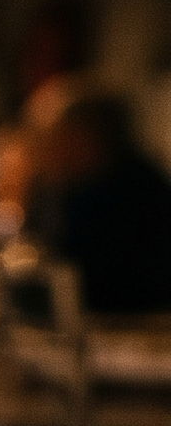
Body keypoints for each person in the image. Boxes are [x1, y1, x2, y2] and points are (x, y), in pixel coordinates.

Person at [37, 93, 171, 313]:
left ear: (95, 136)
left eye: (63, 137)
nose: (53, 151)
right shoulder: (79, 187)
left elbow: (102, 285)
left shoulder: (137, 191)